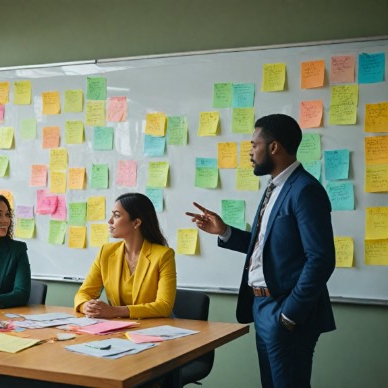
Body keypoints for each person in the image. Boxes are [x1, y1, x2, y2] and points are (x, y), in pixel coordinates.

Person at [185, 114, 336, 388]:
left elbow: (321, 259)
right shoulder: (275, 188)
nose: (250, 152)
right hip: (261, 305)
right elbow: (267, 248)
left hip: (285, 309)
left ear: (274, 147)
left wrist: (289, 315)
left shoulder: (304, 190)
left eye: (254, 144)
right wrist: (225, 232)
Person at [74, 192, 176, 319]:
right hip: (118, 328)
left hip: (153, 328)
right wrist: (86, 306)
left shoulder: (163, 255)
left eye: (116, 215)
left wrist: (114, 311)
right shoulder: (106, 252)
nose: (110, 220)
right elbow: (84, 292)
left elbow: (164, 306)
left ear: (136, 223)